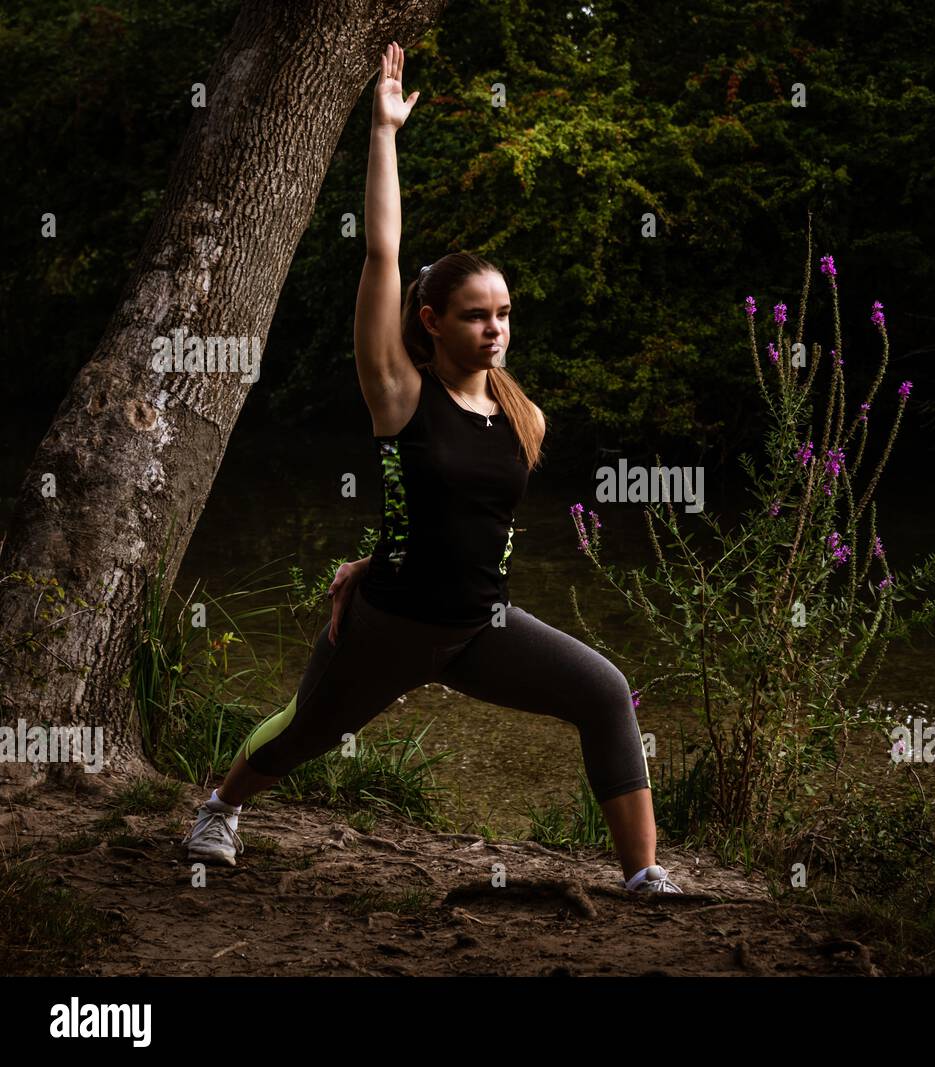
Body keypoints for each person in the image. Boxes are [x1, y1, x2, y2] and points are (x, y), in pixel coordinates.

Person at [182, 41, 682, 895]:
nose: (495, 329)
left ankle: (643, 876)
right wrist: (383, 131)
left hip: (479, 625)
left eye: (505, 315)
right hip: (389, 628)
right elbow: (381, 253)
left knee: (605, 690)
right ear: (432, 320)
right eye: (476, 315)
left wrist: (371, 554)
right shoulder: (399, 394)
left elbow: (470, 531)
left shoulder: (523, 416)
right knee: (307, 729)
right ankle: (221, 807)